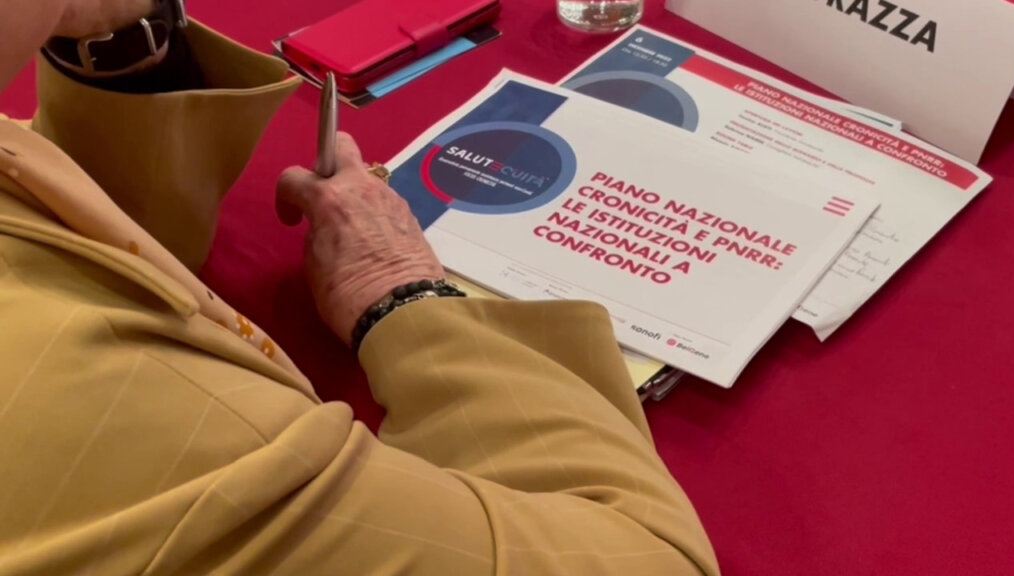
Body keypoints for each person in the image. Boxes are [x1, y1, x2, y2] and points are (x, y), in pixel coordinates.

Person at [0, 1, 719, 574]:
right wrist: (401, 295)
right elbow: (647, 559)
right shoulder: (141, 409)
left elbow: (105, 234)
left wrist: (121, 33)